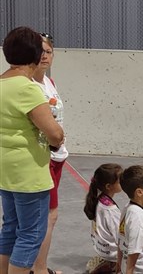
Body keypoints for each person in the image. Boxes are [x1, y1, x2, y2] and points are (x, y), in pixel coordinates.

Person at [0, 27, 64, 274]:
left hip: (6, 170)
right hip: (28, 172)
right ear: (35, 54)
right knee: (30, 234)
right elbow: (54, 133)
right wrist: (57, 140)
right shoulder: (27, 88)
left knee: (10, 228)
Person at [31, 32, 70, 274]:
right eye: (39, 51)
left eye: (48, 51)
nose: (44, 55)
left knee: (47, 216)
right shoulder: (30, 86)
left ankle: (37, 267)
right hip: (44, 157)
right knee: (47, 217)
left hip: (57, 156)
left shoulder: (49, 82)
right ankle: (40, 269)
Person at [83, 163, 124, 273]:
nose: (123, 182)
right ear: (109, 186)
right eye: (120, 181)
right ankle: (112, 265)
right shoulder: (110, 210)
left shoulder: (98, 199)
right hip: (112, 254)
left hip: (101, 248)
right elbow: (120, 237)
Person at [117, 165, 143, 274]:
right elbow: (133, 253)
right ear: (139, 192)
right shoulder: (139, 219)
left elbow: (120, 241)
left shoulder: (127, 209)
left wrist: (119, 265)